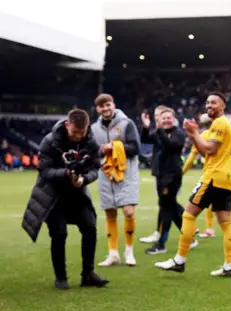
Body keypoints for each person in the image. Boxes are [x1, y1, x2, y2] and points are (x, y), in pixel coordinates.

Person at [21, 109, 109, 289]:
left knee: (90, 228)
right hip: (54, 196)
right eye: (75, 132)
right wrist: (66, 174)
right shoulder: (50, 141)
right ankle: (60, 277)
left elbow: (95, 168)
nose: (78, 136)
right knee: (59, 234)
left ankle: (88, 275)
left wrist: (84, 179)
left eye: (81, 133)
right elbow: (44, 171)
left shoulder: (91, 142)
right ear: (68, 125)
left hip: (78, 195)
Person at [154, 92, 231, 277]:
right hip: (226, 179)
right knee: (225, 222)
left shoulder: (220, 123)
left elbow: (209, 149)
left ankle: (179, 260)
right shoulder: (223, 124)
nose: (209, 105)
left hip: (214, 177)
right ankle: (228, 266)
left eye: (214, 102)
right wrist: (194, 135)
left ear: (223, 106)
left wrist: (193, 133)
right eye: (207, 102)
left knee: (188, 215)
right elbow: (205, 151)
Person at [91, 93, 141, 267]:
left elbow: (135, 148)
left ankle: (129, 251)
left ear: (114, 105)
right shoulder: (93, 129)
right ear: (97, 109)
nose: (105, 108)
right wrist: (101, 151)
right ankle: (113, 254)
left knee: (128, 212)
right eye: (101, 106)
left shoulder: (127, 123)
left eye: (108, 105)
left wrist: (114, 147)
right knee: (110, 213)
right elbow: (91, 152)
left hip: (126, 175)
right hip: (105, 176)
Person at [141, 108, 188, 254]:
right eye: (163, 118)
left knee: (166, 208)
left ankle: (161, 245)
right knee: (172, 208)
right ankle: (189, 237)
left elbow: (170, 145)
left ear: (173, 119)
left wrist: (160, 130)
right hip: (161, 175)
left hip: (172, 176)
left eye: (169, 118)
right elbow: (145, 139)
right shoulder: (158, 132)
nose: (166, 120)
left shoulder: (178, 133)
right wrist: (146, 126)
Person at [182, 113, 217, 238]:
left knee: (190, 210)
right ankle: (229, 227)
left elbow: (191, 159)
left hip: (210, 174)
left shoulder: (202, 136)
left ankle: (185, 247)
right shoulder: (220, 133)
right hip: (225, 174)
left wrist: (181, 173)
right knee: (222, 202)